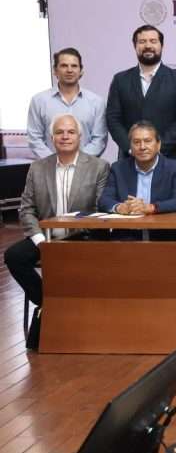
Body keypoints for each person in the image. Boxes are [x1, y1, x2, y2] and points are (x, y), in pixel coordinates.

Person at [3, 114, 109, 349]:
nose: (65, 136)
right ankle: (48, 301)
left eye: (70, 132)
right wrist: (41, 241)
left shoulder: (99, 167)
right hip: (46, 237)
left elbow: (100, 209)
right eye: (59, 132)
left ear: (80, 137)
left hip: (81, 237)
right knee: (14, 256)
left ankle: (58, 309)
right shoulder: (38, 168)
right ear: (52, 138)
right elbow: (26, 209)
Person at [106, 24, 176, 164]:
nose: (148, 46)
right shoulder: (120, 80)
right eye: (142, 41)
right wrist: (131, 148)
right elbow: (113, 119)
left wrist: (158, 148)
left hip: (169, 159)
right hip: (130, 160)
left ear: (161, 45)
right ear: (135, 46)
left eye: (153, 41)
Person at [98, 120, 176, 241]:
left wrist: (151, 207)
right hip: (127, 235)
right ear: (130, 147)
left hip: (167, 235)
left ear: (158, 145)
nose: (142, 147)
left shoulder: (175, 168)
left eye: (147, 141)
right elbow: (104, 200)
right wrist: (119, 207)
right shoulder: (118, 168)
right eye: (136, 142)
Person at [27, 48, 107, 159]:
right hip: (50, 166)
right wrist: (55, 162)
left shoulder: (96, 102)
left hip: (86, 166)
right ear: (55, 70)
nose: (69, 70)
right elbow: (34, 138)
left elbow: (99, 139)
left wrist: (78, 161)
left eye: (74, 66)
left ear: (81, 71)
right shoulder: (39, 101)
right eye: (64, 66)